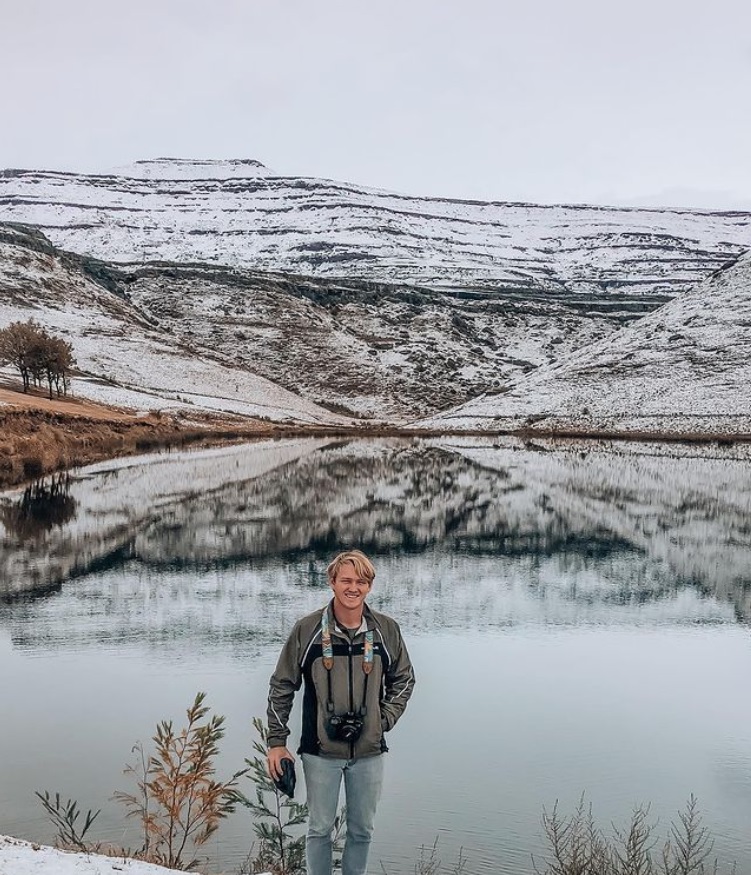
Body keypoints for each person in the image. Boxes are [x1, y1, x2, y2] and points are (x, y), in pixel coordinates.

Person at [266, 549, 415, 875]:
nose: (353, 588)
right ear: (332, 582)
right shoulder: (307, 631)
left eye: (361, 581)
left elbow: (404, 679)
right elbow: (282, 685)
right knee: (319, 829)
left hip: (369, 751)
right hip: (321, 751)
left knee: (362, 831)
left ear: (369, 587)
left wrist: (382, 720)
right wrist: (277, 742)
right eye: (346, 580)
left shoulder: (385, 631)